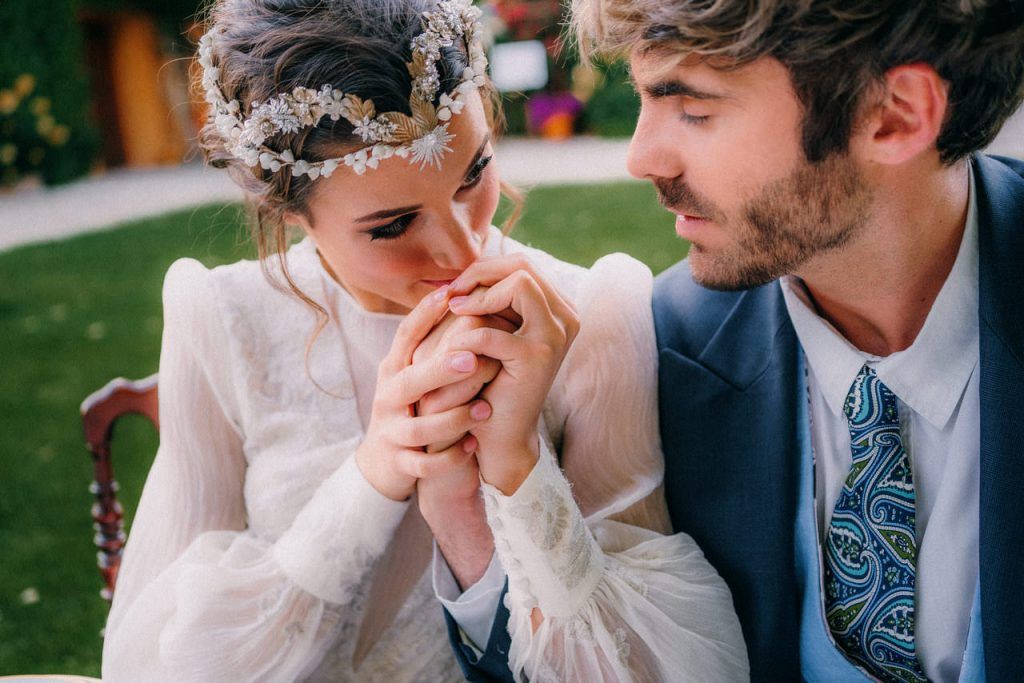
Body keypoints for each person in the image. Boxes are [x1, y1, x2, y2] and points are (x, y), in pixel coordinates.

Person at [100, 0, 749, 680]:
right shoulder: (223, 316)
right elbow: (149, 663)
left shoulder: (594, 312)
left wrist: (518, 470)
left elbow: (669, 667)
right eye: (392, 225)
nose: (464, 247)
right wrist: (375, 472)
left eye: (474, 173)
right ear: (288, 212)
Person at [447, 0, 1024, 680]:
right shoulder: (654, 353)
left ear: (894, 114)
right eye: (642, 99)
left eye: (692, 108)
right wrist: (463, 512)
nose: (640, 157)